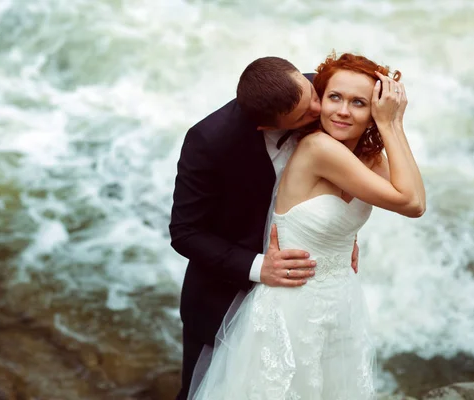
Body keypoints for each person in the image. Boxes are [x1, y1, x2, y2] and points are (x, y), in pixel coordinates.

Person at [187, 52, 426, 399]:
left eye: (358, 103)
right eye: (332, 99)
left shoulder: (331, 97)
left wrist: (343, 230)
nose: (334, 110)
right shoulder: (313, 145)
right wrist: (391, 125)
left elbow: (412, 197)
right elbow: (412, 203)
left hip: (340, 299)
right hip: (284, 303)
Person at [169, 57, 361, 400]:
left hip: (307, 298)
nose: (319, 111)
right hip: (223, 293)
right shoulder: (209, 141)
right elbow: (185, 232)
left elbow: (349, 165)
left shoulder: (325, 92)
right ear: (264, 126)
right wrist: (260, 268)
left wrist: (341, 228)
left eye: (312, 95)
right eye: (304, 115)